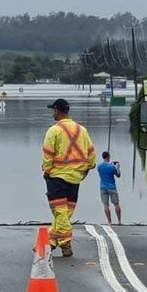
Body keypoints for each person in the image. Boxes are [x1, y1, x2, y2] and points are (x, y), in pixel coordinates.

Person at [42, 98, 96, 257]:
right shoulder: (82, 130)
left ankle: (65, 244)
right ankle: (51, 242)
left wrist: (46, 170)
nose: (53, 113)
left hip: (57, 176)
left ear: (57, 111)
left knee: (59, 210)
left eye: (53, 110)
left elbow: (48, 153)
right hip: (76, 177)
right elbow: (91, 153)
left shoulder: (53, 131)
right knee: (66, 211)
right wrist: (87, 168)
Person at [97, 151, 122, 225]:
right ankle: (119, 221)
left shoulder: (99, 167)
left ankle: (109, 222)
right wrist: (117, 167)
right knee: (116, 204)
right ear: (108, 157)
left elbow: (104, 171)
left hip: (103, 187)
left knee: (105, 205)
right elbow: (118, 175)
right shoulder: (112, 167)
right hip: (112, 187)